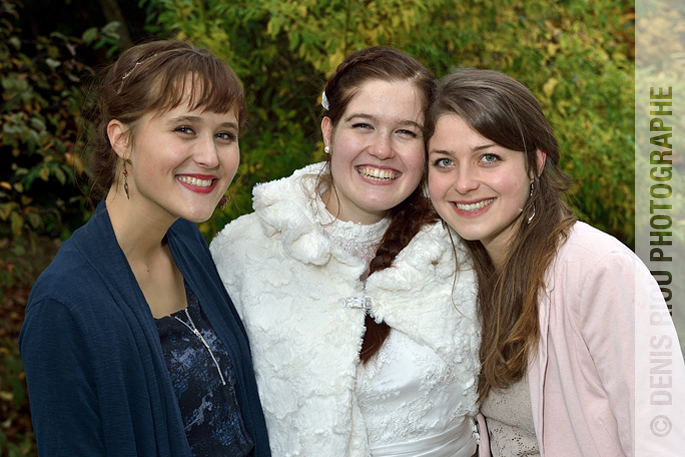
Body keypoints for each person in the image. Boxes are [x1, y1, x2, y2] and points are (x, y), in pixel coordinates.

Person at [210, 47, 484, 456]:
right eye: (363, 125)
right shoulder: (242, 252)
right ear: (328, 132)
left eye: (406, 132)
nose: (382, 149)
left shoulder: (462, 247)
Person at [19, 40, 270, 457]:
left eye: (224, 134)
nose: (210, 156)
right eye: (184, 129)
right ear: (121, 139)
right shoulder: (63, 305)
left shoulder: (187, 243)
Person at [426, 68, 685, 456]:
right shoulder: (454, 273)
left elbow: (661, 435)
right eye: (444, 162)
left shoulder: (599, 270)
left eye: (489, 158)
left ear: (536, 163)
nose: (463, 183)